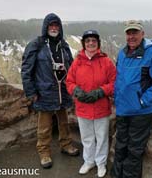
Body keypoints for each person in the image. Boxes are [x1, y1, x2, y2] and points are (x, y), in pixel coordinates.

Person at [21, 13, 79, 169]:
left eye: (56, 25)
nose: (54, 28)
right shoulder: (36, 45)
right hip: (44, 92)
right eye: (51, 25)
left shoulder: (64, 45)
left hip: (62, 90)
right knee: (44, 126)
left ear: (60, 28)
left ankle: (66, 145)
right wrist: (31, 92)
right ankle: (44, 152)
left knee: (64, 122)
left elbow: (72, 68)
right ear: (45, 27)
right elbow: (26, 70)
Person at [111, 20, 152, 178]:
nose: (131, 36)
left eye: (135, 32)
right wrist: (116, 97)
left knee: (134, 150)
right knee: (121, 145)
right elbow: (119, 79)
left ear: (142, 34)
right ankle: (116, 175)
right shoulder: (122, 53)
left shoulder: (151, 53)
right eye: (129, 33)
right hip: (123, 109)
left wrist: (142, 101)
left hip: (141, 112)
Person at [66, 30, 116, 177]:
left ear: (98, 43)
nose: (91, 43)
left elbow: (114, 82)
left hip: (100, 107)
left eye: (94, 40)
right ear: (84, 44)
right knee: (87, 137)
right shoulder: (77, 62)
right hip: (83, 107)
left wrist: (101, 91)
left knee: (101, 137)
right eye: (88, 41)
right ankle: (89, 161)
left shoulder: (106, 62)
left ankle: (101, 163)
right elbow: (69, 81)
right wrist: (76, 91)